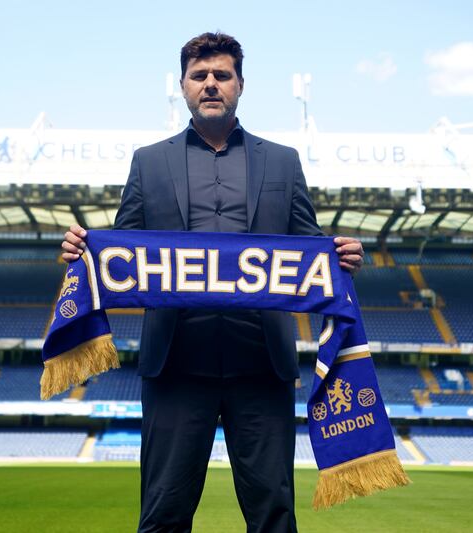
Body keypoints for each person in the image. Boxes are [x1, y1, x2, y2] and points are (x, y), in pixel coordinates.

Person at [62, 32, 364, 533]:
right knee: (163, 516)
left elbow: (308, 245)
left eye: (221, 76)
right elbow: (124, 248)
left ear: (240, 86)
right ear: (182, 87)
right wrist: (84, 251)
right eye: (199, 76)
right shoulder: (149, 161)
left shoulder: (283, 162)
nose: (210, 84)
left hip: (261, 366)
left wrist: (341, 255)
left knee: (274, 516)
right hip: (176, 364)